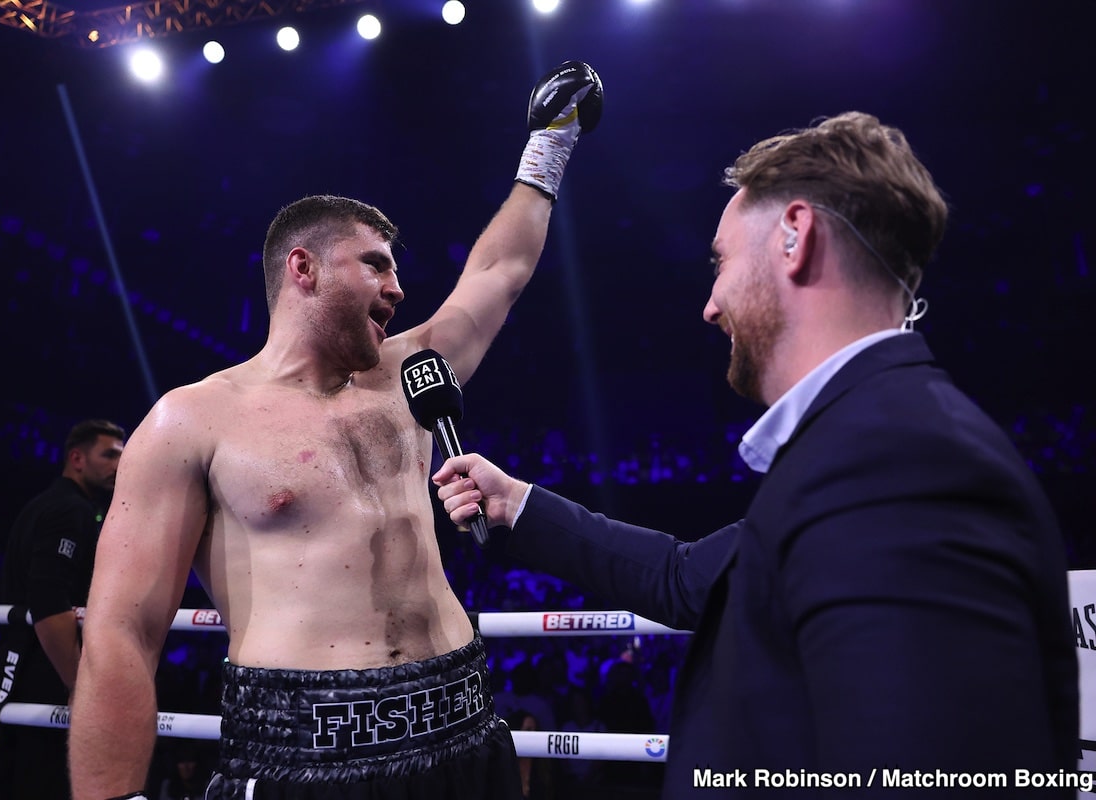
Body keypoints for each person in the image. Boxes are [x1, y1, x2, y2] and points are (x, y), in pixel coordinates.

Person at [433, 112, 1078, 797]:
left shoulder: (899, 464)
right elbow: (686, 579)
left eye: (722, 260)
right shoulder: (863, 443)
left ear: (795, 238)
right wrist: (515, 504)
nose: (711, 305)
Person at [68, 60, 604, 800]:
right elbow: (121, 634)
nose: (398, 288)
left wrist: (551, 145)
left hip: (466, 728)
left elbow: (499, 270)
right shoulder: (191, 420)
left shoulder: (409, 373)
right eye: (376, 266)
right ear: (303, 269)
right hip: (306, 756)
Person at [0, 418, 126, 800]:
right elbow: (48, 600)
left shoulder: (48, 504)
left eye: (122, 456)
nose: (118, 465)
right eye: (108, 454)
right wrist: (79, 684)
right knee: (38, 779)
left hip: (23, 661)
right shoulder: (68, 511)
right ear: (76, 458)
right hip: (42, 667)